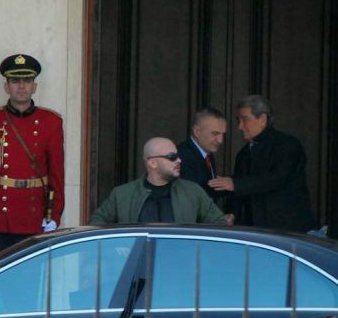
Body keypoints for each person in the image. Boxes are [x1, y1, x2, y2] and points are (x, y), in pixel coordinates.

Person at [0, 54, 64, 258]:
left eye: (27, 81)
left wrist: (54, 215)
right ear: (6, 87)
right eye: (15, 81)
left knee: (32, 283)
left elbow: (57, 174)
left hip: (34, 217)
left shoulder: (51, 122)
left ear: (35, 86)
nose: (21, 86)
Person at [209, 94, 317, 233]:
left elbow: (277, 178)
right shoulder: (243, 154)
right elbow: (238, 192)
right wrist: (232, 212)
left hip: (289, 230)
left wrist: (235, 183)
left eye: (245, 120)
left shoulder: (287, 145)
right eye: (238, 121)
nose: (240, 127)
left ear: (263, 119)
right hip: (256, 233)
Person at [90, 137, 227, 225]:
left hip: (180, 266)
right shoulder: (122, 194)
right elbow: (96, 224)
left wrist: (195, 248)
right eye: (171, 157)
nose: (179, 160)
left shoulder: (193, 192)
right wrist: (118, 245)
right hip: (139, 267)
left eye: (178, 156)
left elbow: (219, 223)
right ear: (152, 163)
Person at [178, 107, 226, 199]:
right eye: (215, 133)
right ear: (197, 131)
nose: (220, 140)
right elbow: (192, 197)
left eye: (222, 134)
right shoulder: (183, 156)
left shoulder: (207, 152)